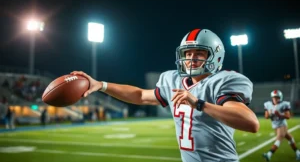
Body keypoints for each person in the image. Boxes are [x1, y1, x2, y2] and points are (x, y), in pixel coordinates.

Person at [71, 28, 259, 162]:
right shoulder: (173, 80)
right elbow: (139, 96)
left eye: (199, 53)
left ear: (215, 57)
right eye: (187, 53)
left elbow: (251, 123)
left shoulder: (223, 81)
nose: (191, 59)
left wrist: (199, 104)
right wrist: (101, 85)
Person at [263, 90, 300, 161]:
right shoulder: (268, 104)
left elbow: (288, 116)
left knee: (279, 138)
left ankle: (269, 154)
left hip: (282, 124)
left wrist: (279, 114)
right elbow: (266, 116)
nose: (276, 99)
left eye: (277, 97)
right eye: (274, 97)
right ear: (272, 98)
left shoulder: (284, 104)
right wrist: (270, 114)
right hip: (275, 125)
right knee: (289, 138)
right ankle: (298, 153)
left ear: (280, 98)